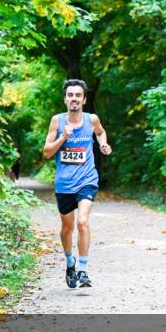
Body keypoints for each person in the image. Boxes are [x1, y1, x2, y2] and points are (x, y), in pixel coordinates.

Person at [43, 79, 112, 289]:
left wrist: (103, 144)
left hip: (87, 180)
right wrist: (63, 137)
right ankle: (70, 262)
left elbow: (100, 133)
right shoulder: (57, 121)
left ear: (84, 99)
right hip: (64, 183)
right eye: (70, 95)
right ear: (65, 99)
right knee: (67, 227)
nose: (74, 99)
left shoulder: (92, 120)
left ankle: (83, 270)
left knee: (82, 222)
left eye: (78, 95)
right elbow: (47, 152)